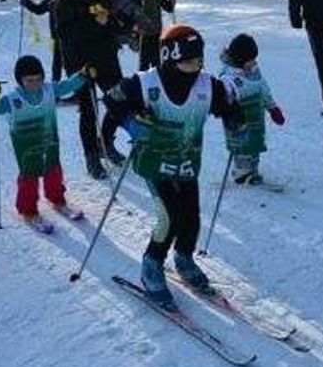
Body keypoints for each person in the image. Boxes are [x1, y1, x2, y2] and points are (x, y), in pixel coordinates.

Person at [105, 24, 245, 308]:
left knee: (191, 217)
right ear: (170, 57)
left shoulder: (208, 85)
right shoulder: (145, 83)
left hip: (186, 163)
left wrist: (236, 123)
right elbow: (112, 99)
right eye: (188, 61)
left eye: (199, 60)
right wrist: (131, 122)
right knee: (169, 217)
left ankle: (183, 257)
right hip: (154, 162)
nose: (195, 67)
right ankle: (151, 264)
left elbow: (229, 107)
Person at [55, 0, 148, 178]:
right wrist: (96, 23)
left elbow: (126, 9)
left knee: (117, 100)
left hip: (106, 56)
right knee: (88, 110)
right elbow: (64, 31)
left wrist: (134, 25)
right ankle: (92, 157)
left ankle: (105, 142)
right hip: (79, 61)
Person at [0, 55, 96, 233]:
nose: (35, 83)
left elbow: (68, 85)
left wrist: (83, 75)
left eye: (38, 79)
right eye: (29, 80)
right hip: (26, 147)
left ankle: (57, 199)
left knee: (52, 169)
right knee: (29, 177)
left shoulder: (49, 90)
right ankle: (28, 210)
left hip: (49, 140)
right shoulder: (13, 99)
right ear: (20, 80)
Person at [218, 33, 285, 185]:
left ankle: (253, 170)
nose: (254, 62)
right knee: (242, 146)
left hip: (255, 116)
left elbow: (263, 89)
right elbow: (223, 101)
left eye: (254, 59)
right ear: (240, 60)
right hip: (239, 118)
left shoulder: (254, 71)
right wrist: (229, 113)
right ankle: (241, 173)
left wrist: (272, 108)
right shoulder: (228, 78)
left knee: (254, 143)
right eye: (250, 59)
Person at [20, 0, 69, 83]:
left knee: (68, 63)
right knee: (58, 63)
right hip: (59, 34)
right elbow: (39, 9)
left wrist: (25, 2)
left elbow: (39, 9)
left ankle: (77, 90)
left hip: (68, 34)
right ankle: (55, 89)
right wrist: (26, 2)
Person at [130, 0, 177, 71]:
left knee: (157, 62)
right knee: (144, 64)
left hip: (157, 32)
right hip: (143, 34)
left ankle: (158, 82)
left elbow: (169, 8)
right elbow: (131, 14)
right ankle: (144, 83)